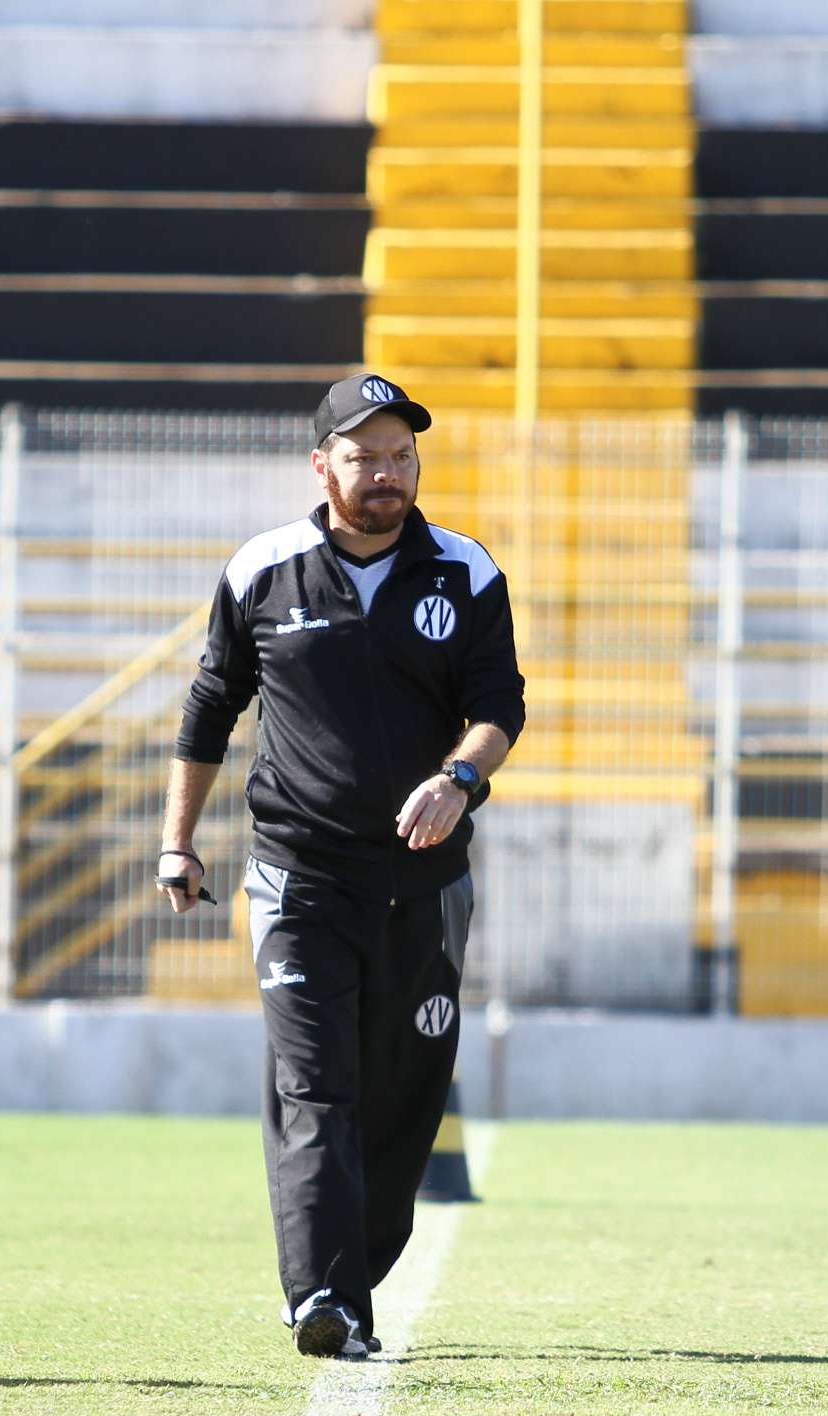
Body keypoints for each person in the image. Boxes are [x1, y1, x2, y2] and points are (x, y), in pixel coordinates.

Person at [159, 373, 525, 1360]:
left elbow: (501, 710)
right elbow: (207, 714)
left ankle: (349, 1277)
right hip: (297, 877)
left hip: (425, 884)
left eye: (401, 455)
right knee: (317, 1087)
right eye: (364, 457)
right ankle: (321, 1296)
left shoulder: (464, 572)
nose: (386, 474)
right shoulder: (262, 571)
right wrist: (177, 840)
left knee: (403, 1101)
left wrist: (459, 777)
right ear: (321, 465)